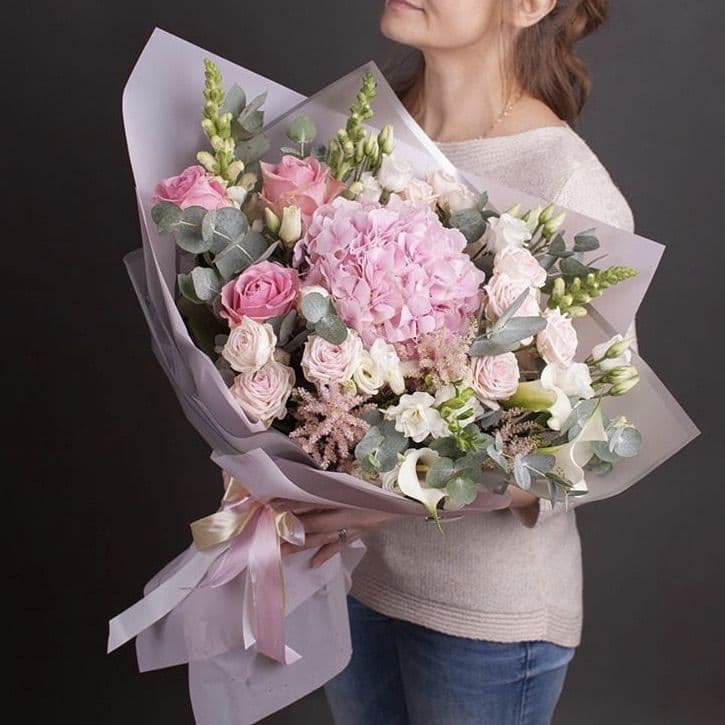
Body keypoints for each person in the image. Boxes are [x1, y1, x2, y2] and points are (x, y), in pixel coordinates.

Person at [290, 1, 634, 723]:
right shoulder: (359, 133)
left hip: (484, 615)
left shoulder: (564, 182)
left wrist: (404, 495)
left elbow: (590, 445)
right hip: (350, 580)